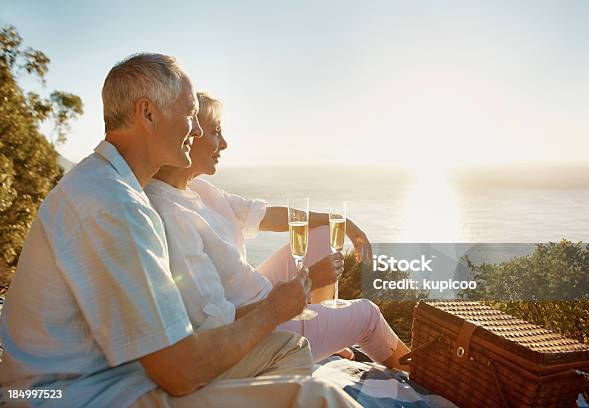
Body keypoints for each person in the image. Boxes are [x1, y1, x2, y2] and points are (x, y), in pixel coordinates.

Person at [0, 54, 359, 408]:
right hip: (72, 396)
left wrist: (271, 311)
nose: (198, 130)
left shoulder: (107, 184)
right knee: (318, 398)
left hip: (113, 376)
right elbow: (179, 371)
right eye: (189, 114)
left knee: (287, 347)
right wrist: (271, 311)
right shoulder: (114, 205)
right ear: (148, 114)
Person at [145, 92, 411, 369]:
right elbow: (216, 325)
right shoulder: (170, 214)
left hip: (254, 292)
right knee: (368, 315)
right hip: (258, 326)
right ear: (190, 133)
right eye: (215, 132)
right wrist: (307, 283)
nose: (224, 143)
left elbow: (267, 215)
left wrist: (338, 220)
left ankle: (322, 337)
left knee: (320, 234)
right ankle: (415, 373)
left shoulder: (198, 189)